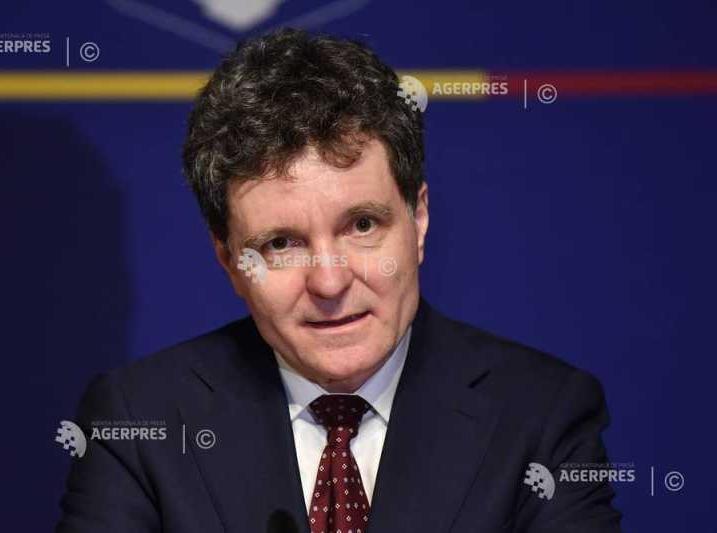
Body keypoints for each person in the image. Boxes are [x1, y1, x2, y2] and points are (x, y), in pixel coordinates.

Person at [57, 28, 622, 533]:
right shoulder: (139, 423)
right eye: (281, 244)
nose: (329, 283)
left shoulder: (540, 416)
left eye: (362, 225)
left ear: (418, 221)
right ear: (228, 260)